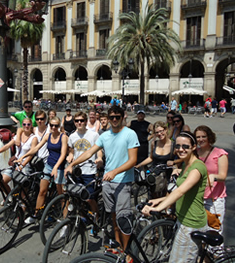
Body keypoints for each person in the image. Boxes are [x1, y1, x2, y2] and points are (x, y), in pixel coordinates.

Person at [66, 106, 139, 256]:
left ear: (123, 117)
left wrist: (115, 171)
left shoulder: (130, 134)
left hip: (122, 181)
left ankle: (127, 252)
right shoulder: (105, 135)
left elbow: (133, 160)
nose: (113, 120)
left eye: (117, 117)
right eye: (111, 117)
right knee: (112, 216)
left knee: (123, 217)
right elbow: (89, 152)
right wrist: (72, 164)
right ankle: (118, 245)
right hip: (107, 182)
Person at [142, 131, 208, 262]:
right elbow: (180, 190)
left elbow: (180, 191)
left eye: (185, 146)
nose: (180, 149)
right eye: (177, 146)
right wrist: (158, 200)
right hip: (182, 219)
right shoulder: (185, 163)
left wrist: (158, 208)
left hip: (191, 223)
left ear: (194, 147)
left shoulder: (197, 168)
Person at [17, 116, 68, 224]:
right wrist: (23, 156)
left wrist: (56, 167)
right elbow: (36, 148)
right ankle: (36, 215)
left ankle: (65, 221)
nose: (54, 127)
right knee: (42, 191)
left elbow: (63, 154)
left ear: (59, 126)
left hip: (59, 167)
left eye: (56, 126)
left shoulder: (63, 137)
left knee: (61, 195)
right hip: (49, 165)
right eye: (52, 125)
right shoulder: (48, 136)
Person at [64, 112, 103, 220]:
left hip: (89, 170)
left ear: (86, 121)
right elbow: (71, 151)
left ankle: (96, 216)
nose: (79, 123)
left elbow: (99, 151)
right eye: (77, 121)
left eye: (81, 120)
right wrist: (70, 156)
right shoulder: (72, 136)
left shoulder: (94, 135)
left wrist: (99, 158)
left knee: (89, 198)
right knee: (77, 196)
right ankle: (81, 217)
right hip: (77, 171)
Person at [0, 118, 38, 194]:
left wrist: (22, 165)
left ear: (31, 125)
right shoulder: (18, 136)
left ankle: (23, 203)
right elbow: (7, 146)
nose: (26, 126)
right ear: (22, 125)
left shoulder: (33, 138)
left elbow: (31, 154)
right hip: (15, 163)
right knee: (2, 182)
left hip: (25, 165)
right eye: (24, 124)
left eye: (28, 124)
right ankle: (11, 198)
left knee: (22, 187)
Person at [195, 125, 228, 233]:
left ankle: (216, 250)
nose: (200, 139)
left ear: (209, 137)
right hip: (197, 197)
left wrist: (213, 177)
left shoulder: (220, 153)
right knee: (198, 230)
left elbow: (223, 176)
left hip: (214, 199)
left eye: (203, 136)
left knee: (214, 231)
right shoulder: (194, 153)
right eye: (198, 137)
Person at [135, 121, 175, 197]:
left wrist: (173, 162)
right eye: (157, 132)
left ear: (166, 130)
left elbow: (180, 160)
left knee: (166, 199)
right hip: (155, 173)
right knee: (153, 196)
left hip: (167, 175)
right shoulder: (154, 143)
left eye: (161, 131)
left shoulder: (173, 145)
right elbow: (151, 158)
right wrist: (139, 164)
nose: (159, 134)